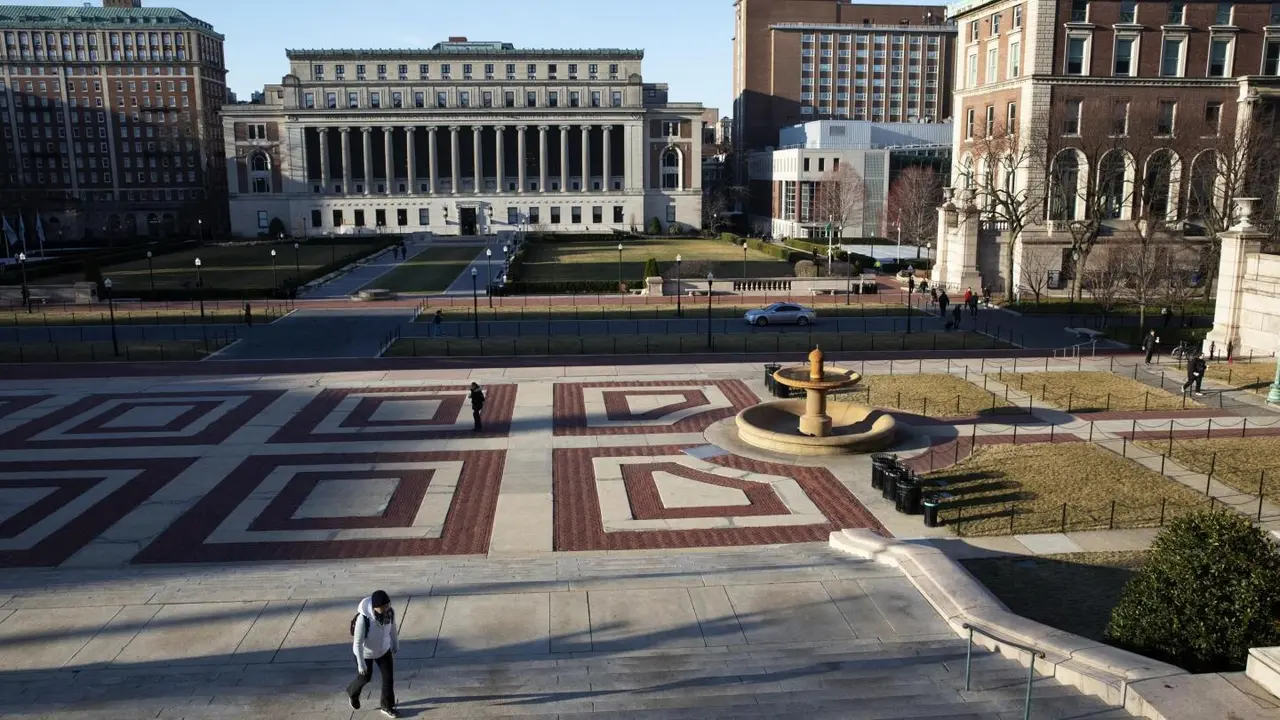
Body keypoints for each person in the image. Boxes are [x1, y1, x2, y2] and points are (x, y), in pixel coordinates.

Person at [347, 590, 399, 718]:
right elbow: (357, 643)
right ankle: (352, 693)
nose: (387, 608)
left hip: (383, 650)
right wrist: (361, 664)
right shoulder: (363, 620)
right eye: (384, 607)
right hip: (365, 654)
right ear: (375, 607)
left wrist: (395, 643)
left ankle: (387, 706)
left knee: (388, 678)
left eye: (388, 605)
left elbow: (393, 628)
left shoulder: (390, 613)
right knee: (365, 678)